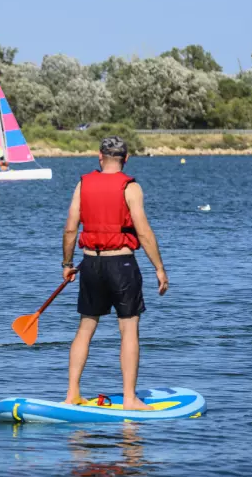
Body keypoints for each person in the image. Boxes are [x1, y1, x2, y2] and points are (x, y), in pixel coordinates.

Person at [61, 136, 169, 410]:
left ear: (100, 156)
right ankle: (130, 398)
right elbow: (143, 231)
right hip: (121, 264)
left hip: (90, 265)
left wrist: (66, 264)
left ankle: (72, 393)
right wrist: (159, 267)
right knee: (129, 328)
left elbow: (71, 228)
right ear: (126, 158)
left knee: (85, 328)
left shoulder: (83, 184)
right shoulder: (130, 187)